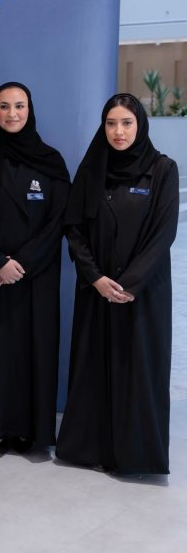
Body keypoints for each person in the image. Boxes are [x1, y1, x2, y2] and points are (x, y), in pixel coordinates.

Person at [57, 94, 178, 475]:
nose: (118, 131)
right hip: (97, 290)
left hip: (142, 293)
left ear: (140, 125)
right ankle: (90, 449)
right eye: (111, 123)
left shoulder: (163, 170)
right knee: (93, 366)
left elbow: (163, 234)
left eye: (126, 123)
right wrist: (95, 277)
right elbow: (74, 229)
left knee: (138, 368)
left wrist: (128, 284)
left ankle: (136, 456)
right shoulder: (91, 169)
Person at [0, 83, 70, 456]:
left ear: (29, 109)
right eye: (4, 106)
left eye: (19, 106)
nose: (12, 113)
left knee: (31, 353)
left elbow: (59, 220)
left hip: (36, 278)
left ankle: (28, 431)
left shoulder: (51, 161)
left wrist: (22, 264)